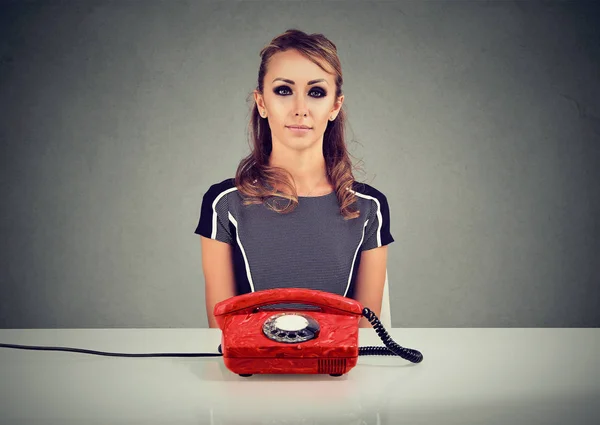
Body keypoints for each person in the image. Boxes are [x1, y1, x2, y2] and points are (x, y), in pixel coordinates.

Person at [195, 29, 394, 328]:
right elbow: (220, 333)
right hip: (250, 371)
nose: (300, 110)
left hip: (337, 372)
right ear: (261, 103)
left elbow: (366, 334)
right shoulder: (223, 204)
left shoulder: (368, 207)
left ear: (335, 107)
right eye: (284, 90)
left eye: (316, 92)